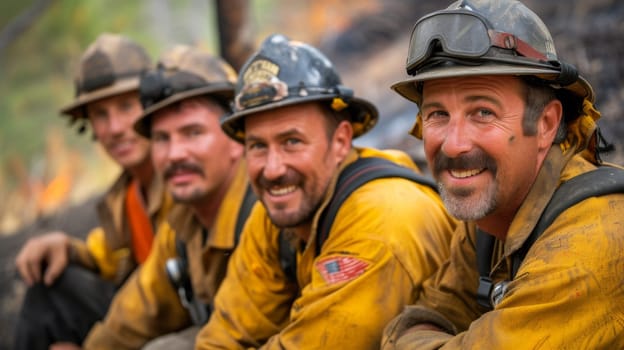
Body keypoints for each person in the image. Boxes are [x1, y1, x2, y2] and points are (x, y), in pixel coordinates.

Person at [381, 0, 624, 349]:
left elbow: (409, 333)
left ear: (545, 124)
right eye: (437, 114)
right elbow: (424, 314)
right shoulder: (489, 219)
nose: (454, 145)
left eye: (482, 111)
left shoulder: (592, 241)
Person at [195, 34, 458, 349]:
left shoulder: (384, 216)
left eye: (292, 141)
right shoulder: (274, 215)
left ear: (340, 141)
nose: (273, 169)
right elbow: (222, 337)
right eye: (257, 146)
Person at [82, 45, 253, 350]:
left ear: (236, 138)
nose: (174, 154)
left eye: (193, 133)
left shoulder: (266, 210)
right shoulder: (183, 223)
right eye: (162, 138)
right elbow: (138, 309)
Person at [13, 33, 174, 350]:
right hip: (144, 311)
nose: (115, 127)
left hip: (181, 318)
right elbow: (112, 255)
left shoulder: (182, 179)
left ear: (153, 104)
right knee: (48, 289)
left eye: (127, 106)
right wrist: (68, 248)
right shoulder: (125, 194)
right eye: (100, 114)